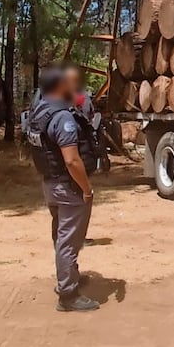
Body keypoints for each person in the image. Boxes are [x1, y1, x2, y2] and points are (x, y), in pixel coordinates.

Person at [26, 66, 100, 312]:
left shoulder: (38, 111)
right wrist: (86, 189)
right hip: (68, 187)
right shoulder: (62, 117)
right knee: (68, 240)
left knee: (61, 235)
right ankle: (68, 295)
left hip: (50, 184)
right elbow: (71, 160)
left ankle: (69, 277)